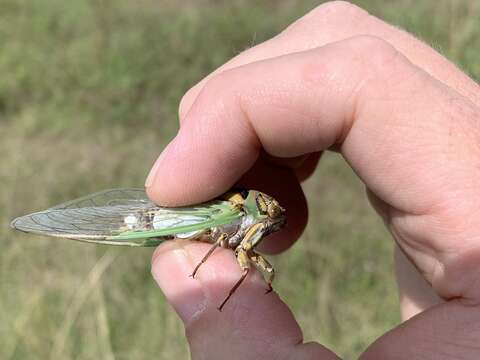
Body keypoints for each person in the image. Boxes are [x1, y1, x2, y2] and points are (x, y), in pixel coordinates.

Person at [145, 2, 480, 359]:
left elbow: (253, 261)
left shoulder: (251, 230)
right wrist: (201, 267)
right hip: (185, 221)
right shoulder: (237, 217)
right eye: (269, 215)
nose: (271, 223)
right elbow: (219, 241)